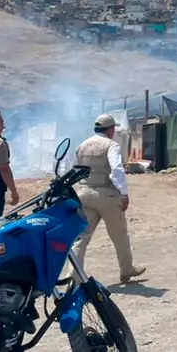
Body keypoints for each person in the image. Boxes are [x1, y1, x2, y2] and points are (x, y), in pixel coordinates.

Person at [68, 114, 146, 283]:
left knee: (81, 238)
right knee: (119, 235)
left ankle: (73, 278)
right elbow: (117, 170)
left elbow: (74, 169)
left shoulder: (82, 146)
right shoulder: (111, 145)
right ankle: (126, 270)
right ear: (110, 129)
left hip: (85, 193)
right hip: (107, 195)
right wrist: (124, 193)